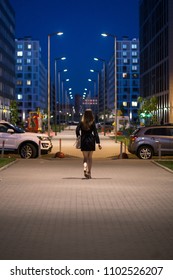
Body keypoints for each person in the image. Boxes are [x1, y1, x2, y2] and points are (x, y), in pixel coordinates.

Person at [76, 109, 102, 179]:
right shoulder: (92, 122)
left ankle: (85, 167)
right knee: (90, 158)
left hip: (83, 140)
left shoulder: (81, 122)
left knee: (85, 158)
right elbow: (95, 133)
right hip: (91, 140)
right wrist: (98, 142)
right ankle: (89, 172)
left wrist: (78, 136)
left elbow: (77, 130)